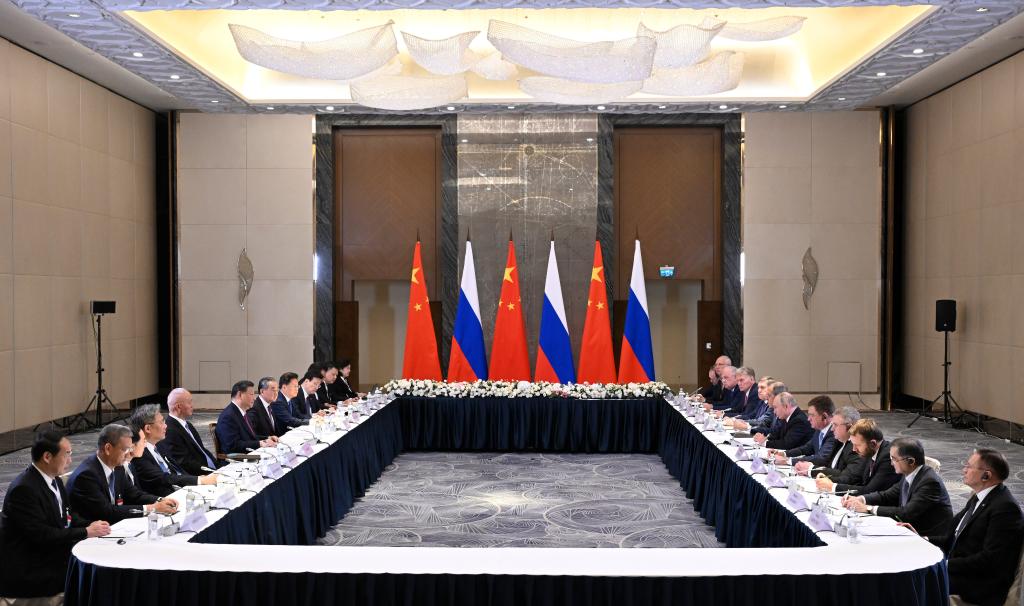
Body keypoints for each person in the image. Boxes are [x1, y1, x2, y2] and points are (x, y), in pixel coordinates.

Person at [0, 432, 111, 597]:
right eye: (67, 454)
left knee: (101, 562)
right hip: (31, 569)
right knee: (94, 578)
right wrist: (86, 532)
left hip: (52, 556)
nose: (70, 460)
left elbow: (68, 516)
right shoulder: (23, 489)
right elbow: (42, 535)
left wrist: (92, 525)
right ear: (47, 457)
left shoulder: (55, 479)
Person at [927, 449, 1024, 606]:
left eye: (969, 466)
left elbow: (990, 560)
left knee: (916, 583)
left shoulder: (1005, 508)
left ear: (986, 475)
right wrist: (922, 539)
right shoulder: (979, 496)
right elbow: (953, 537)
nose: (963, 470)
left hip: (978, 584)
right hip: (960, 570)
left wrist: (944, 564)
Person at [67, 424, 178, 524]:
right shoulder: (86, 475)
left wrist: (159, 500)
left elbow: (134, 495)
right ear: (108, 448)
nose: (128, 453)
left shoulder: (117, 467)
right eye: (125, 449)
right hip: (92, 532)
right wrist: (152, 508)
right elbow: (106, 512)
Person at [842, 437, 953, 536]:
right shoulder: (909, 474)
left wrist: (868, 508)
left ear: (911, 461)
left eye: (894, 459)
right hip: (908, 529)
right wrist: (860, 499)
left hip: (928, 538)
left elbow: (906, 513)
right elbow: (887, 495)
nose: (891, 463)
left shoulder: (930, 482)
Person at [129, 404, 218, 498]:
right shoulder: (139, 454)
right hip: (166, 498)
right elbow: (163, 478)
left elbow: (176, 470)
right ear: (148, 428)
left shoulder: (159, 445)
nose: (166, 426)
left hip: (184, 490)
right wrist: (199, 480)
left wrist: (198, 480)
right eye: (161, 422)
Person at [815, 418, 900, 495]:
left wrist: (832, 487)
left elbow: (870, 491)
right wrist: (828, 480)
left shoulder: (888, 457)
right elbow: (855, 478)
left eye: (857, 445)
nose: (854, 449)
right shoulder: (870, 451)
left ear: (872, 443)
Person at [158, 388, 224, 475]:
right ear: (178, 407)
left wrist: (220, 468)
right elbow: (184, 463)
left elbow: (202, 451)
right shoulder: (170, 430)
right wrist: (213, 472)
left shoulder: (188, 425)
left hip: (210, 470)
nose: (192, 405)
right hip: (200, 475)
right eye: (189, 402)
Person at [794, 406, 864, 479]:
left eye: (835, 425)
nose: (832, 429)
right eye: (832, 425)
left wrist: (811, 469)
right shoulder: (838, 442)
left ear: (849, 427)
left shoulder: (856, 447)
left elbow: (845, 475)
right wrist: (807, 465)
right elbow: (826, 463)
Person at [214, 380, 279, 455]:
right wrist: (259, 444)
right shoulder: (228, 416)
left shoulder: (242, 412)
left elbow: (250, 437)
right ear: (240, 395)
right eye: (251, 394)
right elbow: (232, 446)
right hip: (238, 459)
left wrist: (266, 438)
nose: (254, 398)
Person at [774, 396, 836, 466]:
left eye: (812, 415)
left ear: (824, 416)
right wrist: (784, 453)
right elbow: (806, 448)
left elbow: (820, 458)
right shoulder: (819, 429)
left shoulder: (834, 433)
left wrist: (788, 461)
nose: (808, 419)